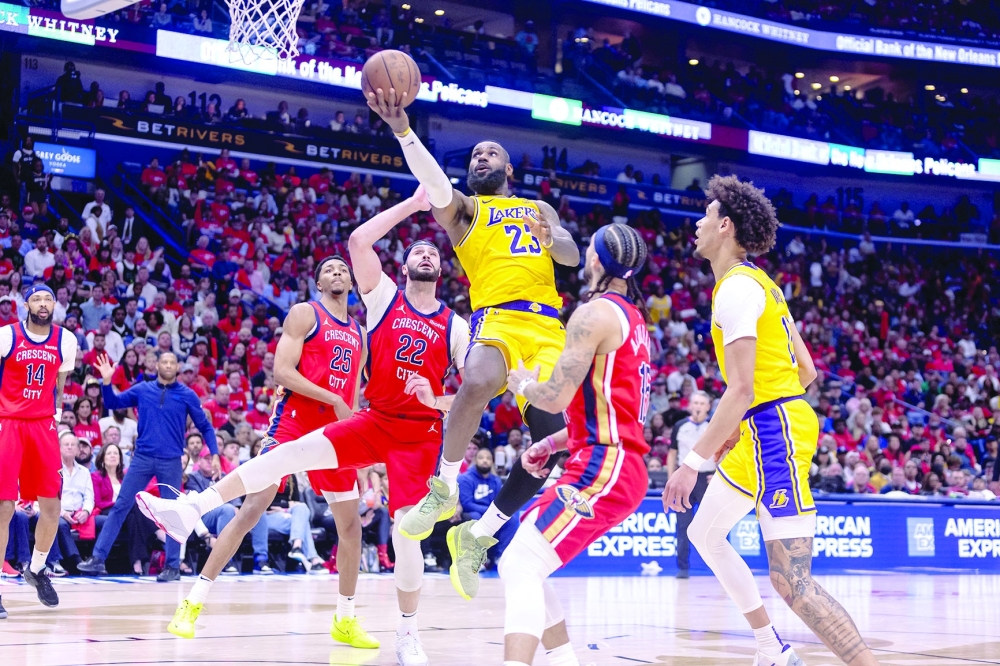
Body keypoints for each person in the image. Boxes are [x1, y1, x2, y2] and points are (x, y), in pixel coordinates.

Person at [137, 188, 469, 666]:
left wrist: (431, 398)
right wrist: (416, 204)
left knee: (366, 529)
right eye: (417, 248)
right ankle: (193, 568)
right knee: (255, 503)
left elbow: (474, 394)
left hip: (406, 432)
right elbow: (286, 368)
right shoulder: (330, 310)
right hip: (307, 419)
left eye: (433, 251)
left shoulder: (397, 327)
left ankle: (371, 622)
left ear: (445, 268)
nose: (424, 253)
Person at [367, 85, 581, 600]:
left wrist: (551, 236)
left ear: (509, 170)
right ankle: (443, 487)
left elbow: (571, 258)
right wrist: (403, 130)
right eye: (475, 154)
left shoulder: (537, 207)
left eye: (492, 153)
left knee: (554, 445)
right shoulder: (465, 211)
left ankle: (478, 534)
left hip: (549, 328)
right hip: (499, 319)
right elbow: (435, 182)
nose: (481, 157)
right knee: (479, 379)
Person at [662, 175, 879, 666]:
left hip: (772, 430)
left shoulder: (736, 289)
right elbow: (806, 370)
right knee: (704, 533)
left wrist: (692, 462)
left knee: (792, 581)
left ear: (725, 225)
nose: (695, 224)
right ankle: (770, 648)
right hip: (768, 426)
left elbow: (740, 390)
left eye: (704, 216)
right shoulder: (763, 285)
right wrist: (755, 417)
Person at [161, 254, 370, 643]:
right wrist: (333, 399)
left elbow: (353, 394)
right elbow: (282, 373)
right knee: (252, 508)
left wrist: (353, 421)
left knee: (351, 526)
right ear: (319, 284)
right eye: (329, 270)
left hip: (337, 431)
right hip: (295, 421)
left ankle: (345, 617)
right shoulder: (305, 313)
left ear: (352, 282)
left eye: (343, 269)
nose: (338, 272)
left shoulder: (359, 331)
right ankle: (192, 602)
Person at [500, 222, 651, 666]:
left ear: (598, 259)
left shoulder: (593, 314)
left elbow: (556, 395)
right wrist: (552, 442)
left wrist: (524, 385)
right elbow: (605, 409)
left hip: (606, 464)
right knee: (523, 558)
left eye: (588, 248)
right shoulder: (634, 318)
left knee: (522, 563)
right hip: (607, 457)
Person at [76, 351, 219, 582]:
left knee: (173, 512)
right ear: (157, 365)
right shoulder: (143, 389)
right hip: (142, 458)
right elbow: (113, 402)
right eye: (165, 361)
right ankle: (98, 558)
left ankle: (172, 566)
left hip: (171, 460)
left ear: (177, 367)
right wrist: (106, 380)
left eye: (173, 362)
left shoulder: (187, 395)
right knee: (121, 504)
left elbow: (205, 426)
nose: (169, 365)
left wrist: (214, 454)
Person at [0, 284, 78, 617]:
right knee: (4, 506)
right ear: (26, 305)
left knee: (52, 504)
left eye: (48, 298)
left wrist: (57, 418)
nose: (43, 303)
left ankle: (38, 568)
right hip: (8, 422)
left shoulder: (66, 340)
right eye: (36, 299)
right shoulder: (7, 335)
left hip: (43, 425)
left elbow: (60, 386)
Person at [666, 390, 713, 578]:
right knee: (683, 524)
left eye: (702, 403)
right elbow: (671, 453)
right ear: (690, 405)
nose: (698, 407)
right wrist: (671, 478)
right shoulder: (680, 425)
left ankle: (718, 567)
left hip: (708, 478)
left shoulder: (713, 425)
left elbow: (726, 451)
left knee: (714, 525)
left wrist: (719, 474)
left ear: (708, 407)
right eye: (695, 403)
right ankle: (683, 567)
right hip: (685, 479)